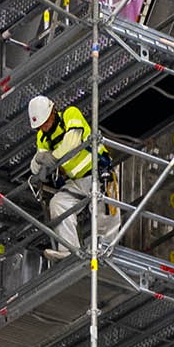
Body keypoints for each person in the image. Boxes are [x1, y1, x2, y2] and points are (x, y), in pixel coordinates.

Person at [26, 95, 110, 255]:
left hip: (99, 174)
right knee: (57, 203)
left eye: (45, 123)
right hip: (77, 182)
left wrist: (52, 156)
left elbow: (73, 142)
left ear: (52, 112)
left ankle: (106, 251)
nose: (44, 128)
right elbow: (36, 168)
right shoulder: (43, 137)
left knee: (102, 212)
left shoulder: (70, 114)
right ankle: (69, 250)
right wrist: (38, 160)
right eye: (40, 126)